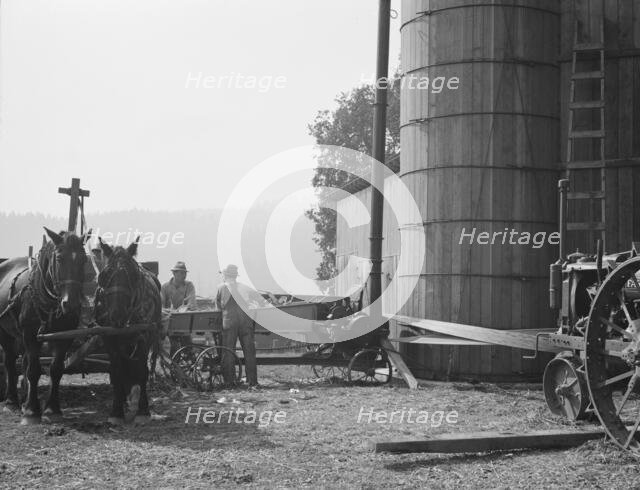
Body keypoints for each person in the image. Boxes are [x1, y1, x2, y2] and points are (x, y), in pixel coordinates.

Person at [215, 264, 266, 387]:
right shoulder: (245, 288)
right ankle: (252, 381)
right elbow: (261, 301)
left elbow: (217, 307)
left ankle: (229, 381)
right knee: (249, 352)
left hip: (229, 322)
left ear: (225, 275)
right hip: (245, 322)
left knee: (228, 351)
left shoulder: (221, 288)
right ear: (235, 276)